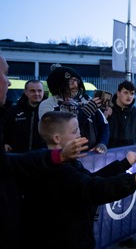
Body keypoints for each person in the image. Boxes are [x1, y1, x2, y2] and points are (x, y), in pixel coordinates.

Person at [20, 110, 136, 249]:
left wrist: (124, 164)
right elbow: (93, 188)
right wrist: (135, 180)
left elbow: (90, 178)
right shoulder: (56, 171)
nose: (80, 134)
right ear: (57, 138)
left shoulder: (58, 162)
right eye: (74, 131)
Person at [0, 55, 88, 249]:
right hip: (27, 168)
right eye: (5, 74)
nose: (8, 81)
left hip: (38, 163)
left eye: (40, 91)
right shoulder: (16, 111)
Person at [106, 80, 136, 248]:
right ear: (118, 93)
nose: (129, 96)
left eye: (132, 94)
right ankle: (103, 232)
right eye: (126, 92)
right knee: (105, 198)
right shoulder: (106, 111)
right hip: (108, 163)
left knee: (125, 200)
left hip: (129, 163)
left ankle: (125, 235)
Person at [39, 64, 109, 153]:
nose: (76, 85)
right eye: (71, 82)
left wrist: (102, 143)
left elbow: (104, 124)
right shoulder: (48, 104)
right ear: (59, 83)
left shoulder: (86, 100)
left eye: (77, 81)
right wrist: (85, 113)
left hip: (91, 156)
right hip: (63, 157)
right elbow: (57, 131)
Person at [3, 79, 46, 153]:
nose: (37, 93)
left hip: (41, 157)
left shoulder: (50, 111)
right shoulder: (13, 111)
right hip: (17, 156)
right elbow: (4, 129)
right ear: (25, 92)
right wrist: (5, 143)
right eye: (32, 91)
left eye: (39, 91)